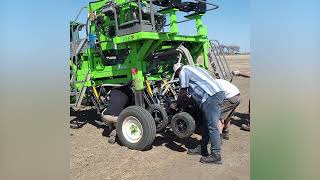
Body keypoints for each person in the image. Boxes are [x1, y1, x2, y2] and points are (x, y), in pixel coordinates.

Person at [173, 63, 225, 164]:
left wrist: (177, 104)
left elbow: (183, 91)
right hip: (216, 94)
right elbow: (192, 92)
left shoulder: (183, 72)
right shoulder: (194, 68)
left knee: (212, 126)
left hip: (211, 97)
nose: (178, 78)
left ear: (177, 72)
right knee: (206, 124)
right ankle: (203, 148)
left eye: (176, 76)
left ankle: (216, 155)